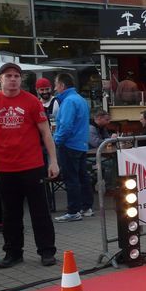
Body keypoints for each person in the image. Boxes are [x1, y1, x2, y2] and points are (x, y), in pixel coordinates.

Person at [0, 62, 59, 267]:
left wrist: (53, 161)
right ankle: (13, 253)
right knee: (10, 214)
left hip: (32, 166)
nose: (13, 79)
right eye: (8, 76)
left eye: (16, 76)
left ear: (21, 79)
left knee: (40, 212)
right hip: (5, 168)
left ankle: (46, 251)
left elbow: (46, 133)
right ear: (0, 79)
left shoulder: (32, 101)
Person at [53, 72, 93, 222]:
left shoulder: (68, 101)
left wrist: (57, 140)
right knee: (82, 177)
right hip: (81, 144)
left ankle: (73, 211)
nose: (55, 88)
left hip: (69, 144)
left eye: (56, 85)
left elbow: (66, 126)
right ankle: (86, 207)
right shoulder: (80, 99)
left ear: (62, 85)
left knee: (71, 179)